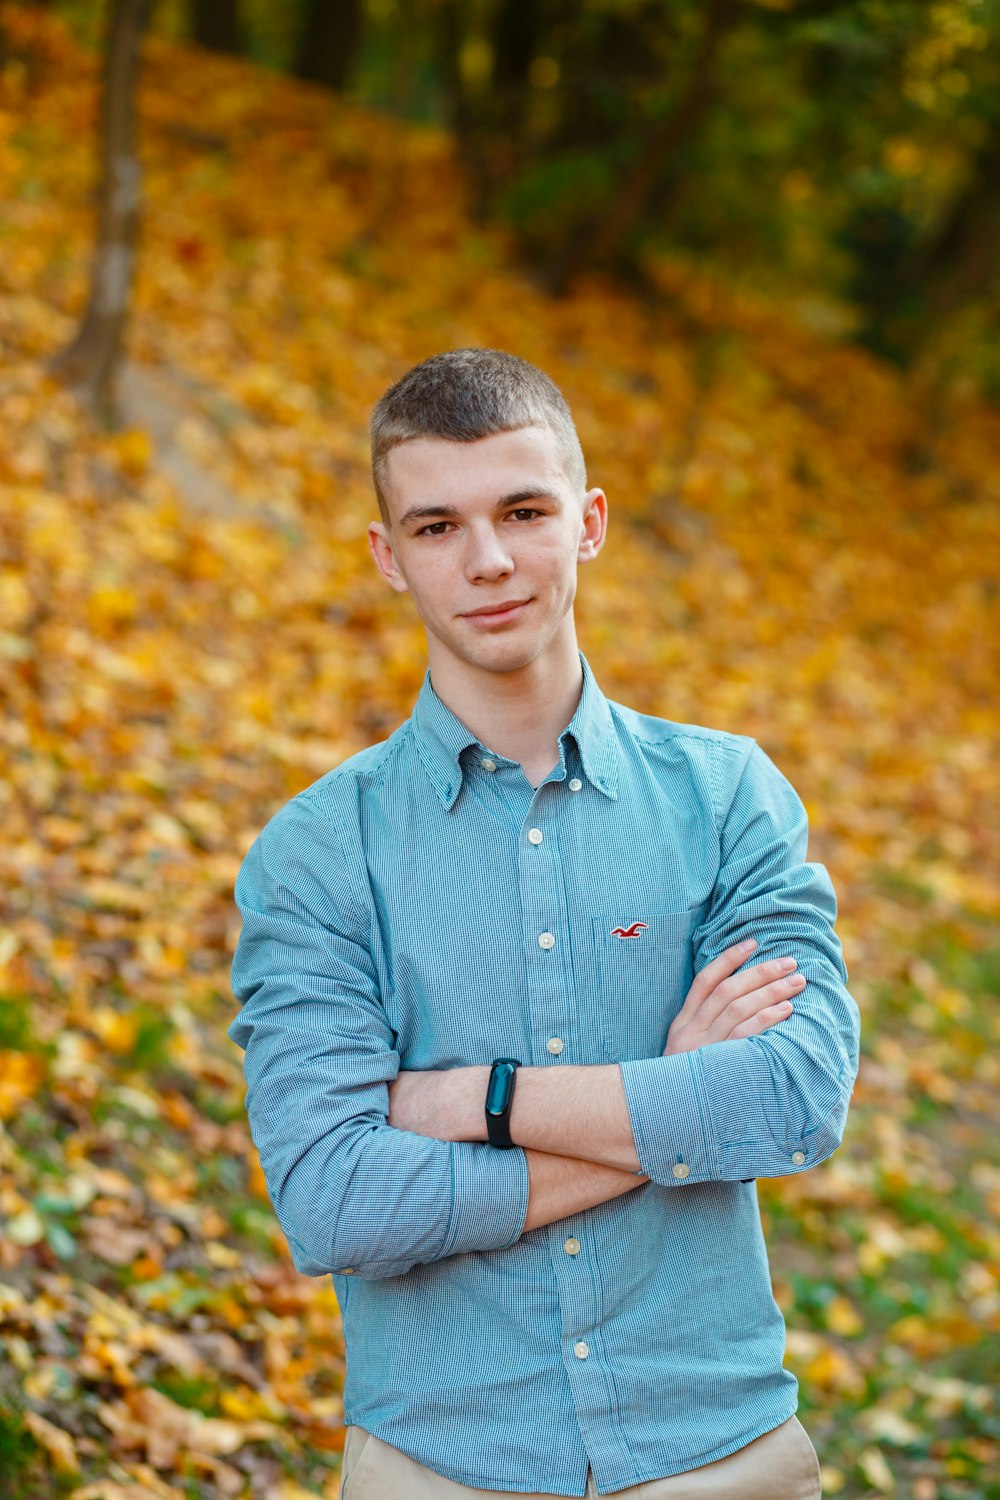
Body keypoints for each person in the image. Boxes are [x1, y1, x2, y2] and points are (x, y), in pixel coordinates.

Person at [228, 348, 860, 1500]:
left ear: (589, 522)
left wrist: (484, 1102)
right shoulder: (316, 857)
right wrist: (667, 1106)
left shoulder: (725, 798)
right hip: (443, 1467)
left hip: (719, 1459)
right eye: (435, 527)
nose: (487, 561)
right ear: (387, 556)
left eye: (523, 510)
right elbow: (333, 1202)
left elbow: (792, 1097)